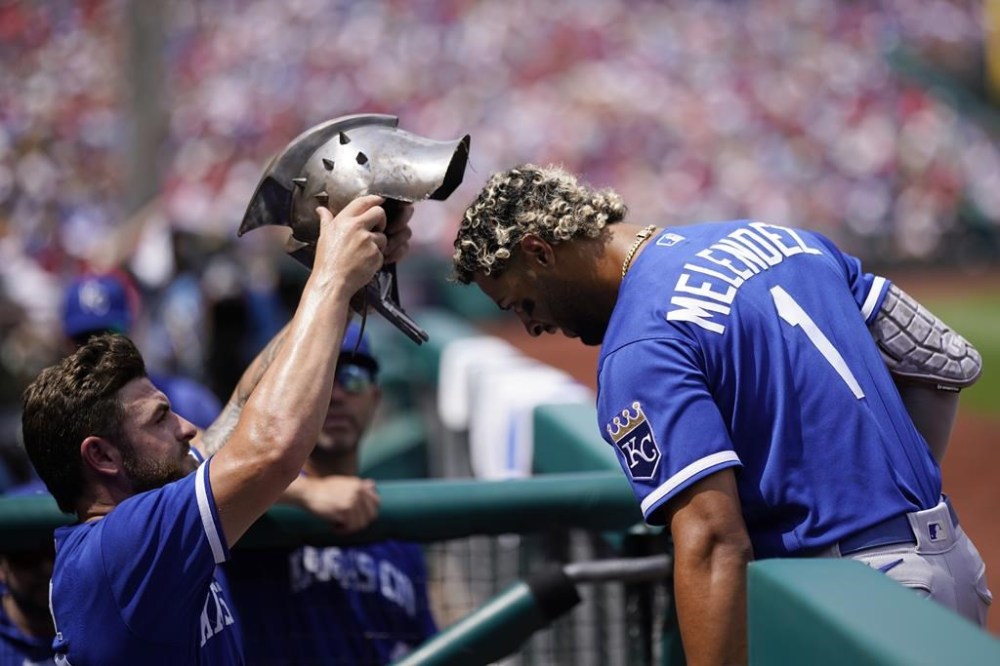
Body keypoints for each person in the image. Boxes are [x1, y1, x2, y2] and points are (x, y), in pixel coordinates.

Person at [451, 164, 990, 665]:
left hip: (855, 599)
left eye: (521, 303)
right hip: (955, 569)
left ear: (540, 252)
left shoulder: (638, 343)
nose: (532, 325)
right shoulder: (774, 235)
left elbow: (713, 541)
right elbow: (939, 361)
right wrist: (892, 504)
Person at [20, 195, 409, 664]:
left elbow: (243, 407)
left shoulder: (145, 512)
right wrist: (330, 280)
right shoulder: (124, 548)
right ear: (102, 457)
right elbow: (270, 449)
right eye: (161, 418)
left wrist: (346, 296)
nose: (187, 428)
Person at [220, 322, 438, 665]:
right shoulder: (248, 509)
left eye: (352, 376)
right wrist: (307, 493)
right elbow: (192, 464)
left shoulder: (398, 532)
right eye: (319, 380)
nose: (335, 395)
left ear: (375, 398)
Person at [61, 270, 223, 430]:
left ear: (131, 330)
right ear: (66, 342)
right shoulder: (57, 419)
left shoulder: (189, 403)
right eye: (84, 339)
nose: (97, 348)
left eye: (109, 334)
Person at [0, 480, 55, 666]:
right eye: (28, 559)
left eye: (56, 553)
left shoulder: (102, 627)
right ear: (2, 567)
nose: (47, 569)